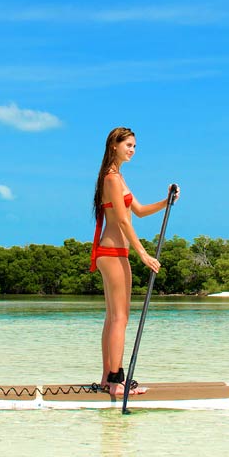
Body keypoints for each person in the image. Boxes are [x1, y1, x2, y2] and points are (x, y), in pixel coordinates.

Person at [90, 127, 178, 396]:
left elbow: (137, 211)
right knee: (120, 319)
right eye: (128, 145)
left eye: (135, 146)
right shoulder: (111, 178)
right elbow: (123, 221)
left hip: (112, 253)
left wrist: (167, 201)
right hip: (114, 253)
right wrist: (143, 253)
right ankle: (117, 381)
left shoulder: (118, 178)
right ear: (113, 146)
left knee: (113, 318)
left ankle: (107, 378)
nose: (132, 150)